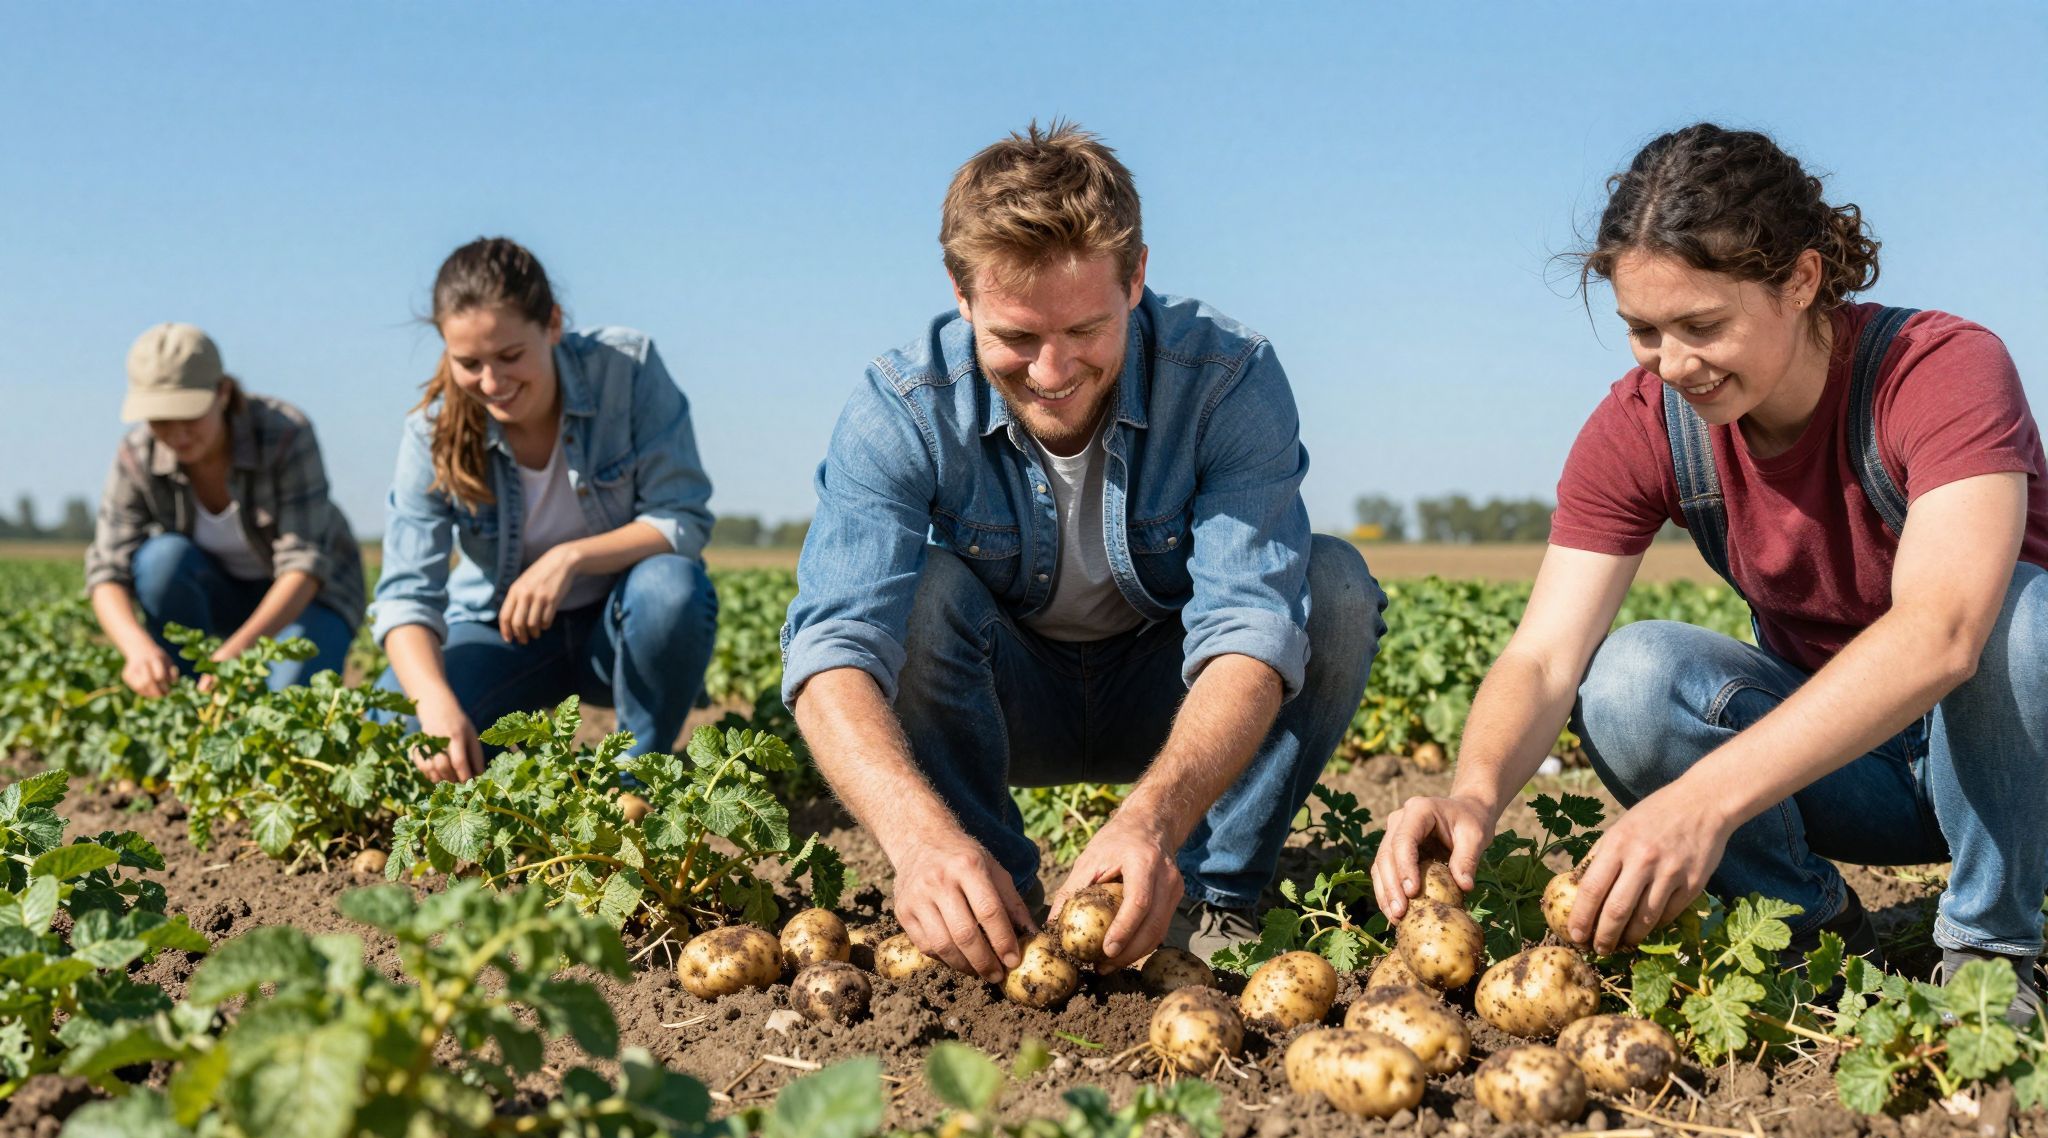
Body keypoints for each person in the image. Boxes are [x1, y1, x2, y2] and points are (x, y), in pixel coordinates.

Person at [1370, 124, 2048, 1023]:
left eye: (1703, 325)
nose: (1673, 363)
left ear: (1801, 280)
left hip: (2014, 763)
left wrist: (1703, 802)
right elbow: (1542, 658)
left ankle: (1990, 953)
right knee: (1629, 680)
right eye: (1644, 330)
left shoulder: (1939, 370)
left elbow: (1944, 632)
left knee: (2017, 616)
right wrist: (1474, 793)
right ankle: (1809, 926)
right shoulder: (1647, 424)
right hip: (1853, 765)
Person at [781, 122, 1384, 982]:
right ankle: (991, 907)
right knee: (919, 592)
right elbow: (830, 652)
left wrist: (1152, 821)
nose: (1052, 369)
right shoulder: (904, 406)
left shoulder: (1225, 379)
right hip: (1003, 703)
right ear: (962, 294)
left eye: (1086, 329)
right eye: (1017, 338)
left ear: (1136, 277)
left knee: (1333, 588)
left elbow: (1250, 630)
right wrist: (917, 841)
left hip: (1171, 701)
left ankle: (1213, 902)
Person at [372, 237, 718, 780]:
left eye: (510, 356)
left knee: (671, 588)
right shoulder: (432, 432)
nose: (492, 383)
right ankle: (509, 779)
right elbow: (405, 596)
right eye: (468, 363)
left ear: (552, 324)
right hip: (502, 634)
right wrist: (432, 703)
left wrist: (569, 558)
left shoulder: (627, 370)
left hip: (619, 631)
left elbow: (681, 518)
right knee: (402, 719)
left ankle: (640, 777)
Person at [85, 323, 365, 694]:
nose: (177, 435)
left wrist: (239, 650)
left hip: (309, 597)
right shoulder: (138, 455)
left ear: (223, 392)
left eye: (189, 417)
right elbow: (107, 569)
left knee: (290, 698)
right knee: (161, 560)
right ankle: (188, 699)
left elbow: (303, 564)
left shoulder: (284, 435)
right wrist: (137, 650)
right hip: (221, 593)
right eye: (161, 421)